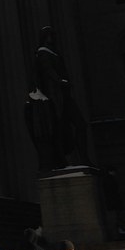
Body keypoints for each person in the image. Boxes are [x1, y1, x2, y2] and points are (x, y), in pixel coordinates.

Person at [32, 26, 92, 168]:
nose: (53, 38)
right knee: (58, 128)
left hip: (64, 96)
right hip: (55, 97)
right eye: (51, 35)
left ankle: (84, 158)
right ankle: (60, 160)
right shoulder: (43, 53)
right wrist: (59, 80)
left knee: (80, 124)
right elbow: (48, 70)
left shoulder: (54, 53)